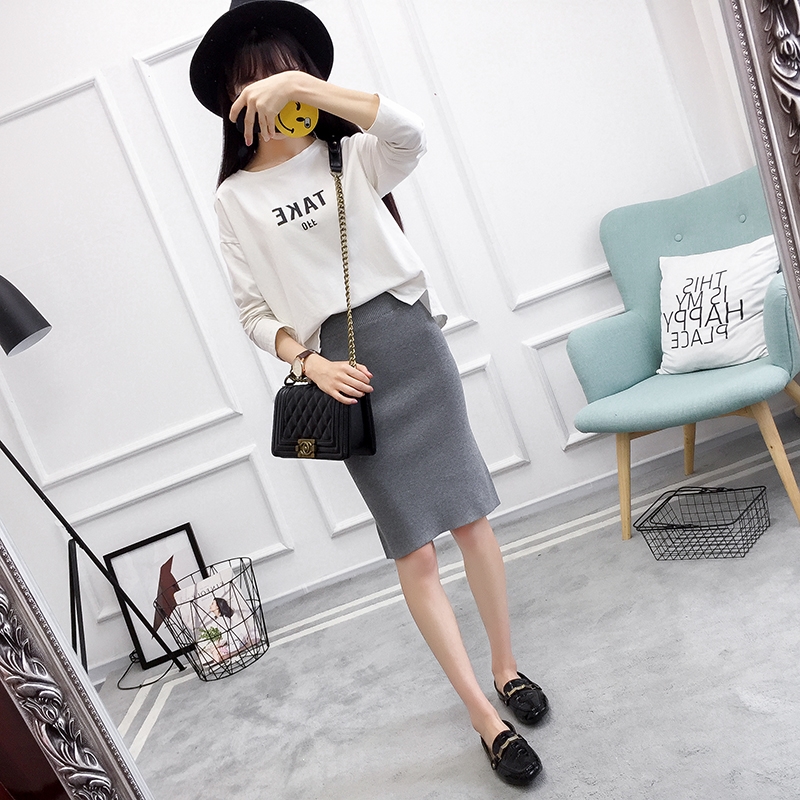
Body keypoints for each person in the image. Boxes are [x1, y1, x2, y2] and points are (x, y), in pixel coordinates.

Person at [190, 0, 549, 785]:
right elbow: (253, 313)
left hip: (412, 346)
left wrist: (308, 90)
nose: (274, 96)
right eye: (257, 83)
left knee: (471, 518)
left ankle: (506, 668)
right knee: (412, 548)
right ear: (231, 100)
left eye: (286, 78)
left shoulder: (351, 154)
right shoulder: (232, 200)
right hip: (342, 374)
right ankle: (482, 717)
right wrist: (310, 365)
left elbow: (411, 131)